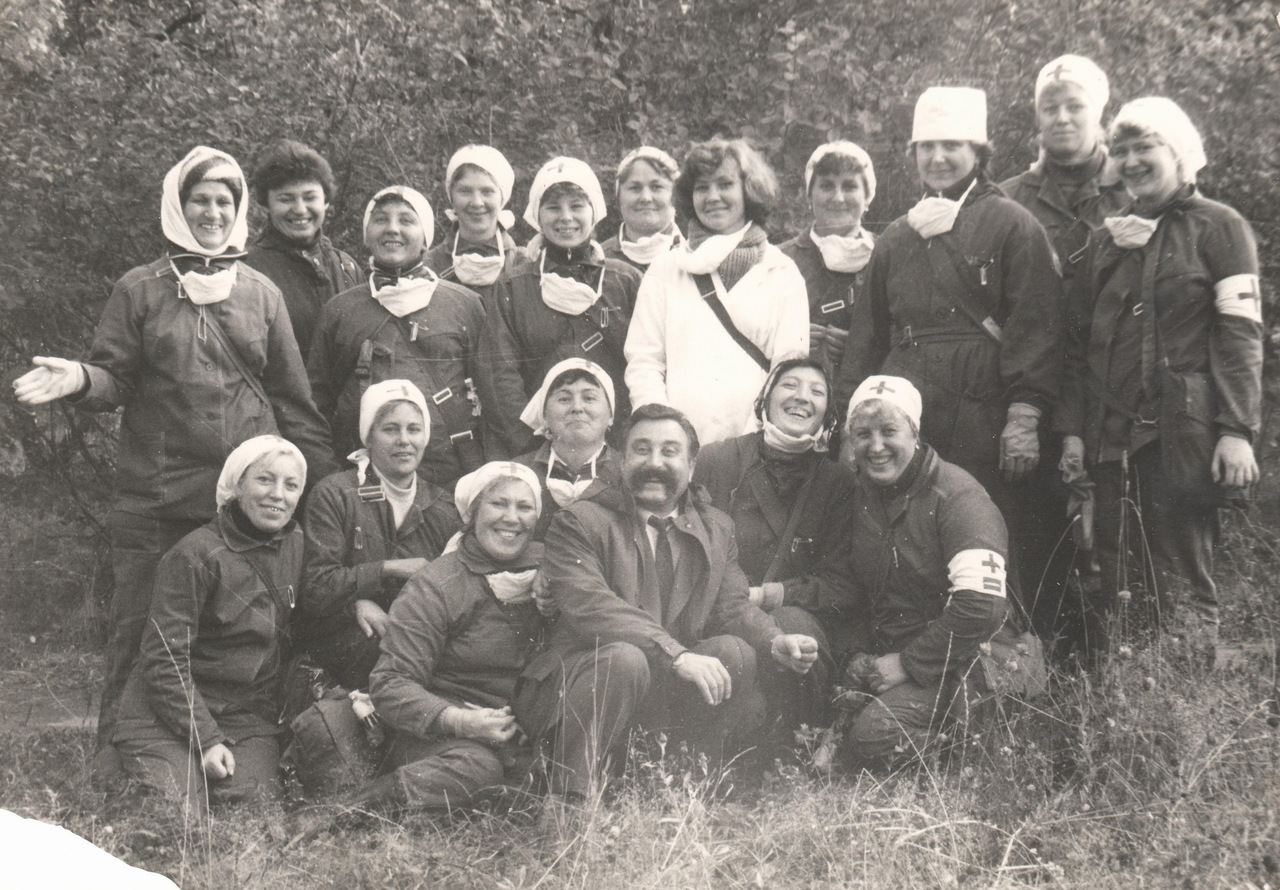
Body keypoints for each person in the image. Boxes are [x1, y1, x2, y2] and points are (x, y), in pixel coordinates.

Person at [13, 146, 337, 754]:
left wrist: (329, 484)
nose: (213, 213)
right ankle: (118, 761)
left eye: (224, 202)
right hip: (158, 498)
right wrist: (79, 379)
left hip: (244, 506)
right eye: (200, 201)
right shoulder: (140, 289)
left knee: (241, 634)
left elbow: (293, 401)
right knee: (140, 630)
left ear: (240, 210)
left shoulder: (261, 292)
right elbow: (114, 379)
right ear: (177, 207)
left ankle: (230, 756)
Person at [514, 403, 819, 800]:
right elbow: (593, 608)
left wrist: (774, 640)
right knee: (624, 658)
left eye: (669, 452)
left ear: (691, 467)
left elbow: (732, 606)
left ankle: (684, 786)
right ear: (622, 460)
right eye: (641, 450)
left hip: (659, 684)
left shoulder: (716, 527)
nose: (654, 463)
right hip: (579, 685)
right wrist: (677, 655)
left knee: (734, 652)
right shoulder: (579, 521)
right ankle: (570, 798)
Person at [838, 87, 1062, 605]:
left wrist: (1024, 419)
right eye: (927, 147)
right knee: (909, 527)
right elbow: (867, 339)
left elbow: (1037, 329)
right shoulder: (897, 236)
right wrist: (848, 428)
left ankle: (999, 642)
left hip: (982, 411)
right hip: (910, 410)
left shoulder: (1012, 224)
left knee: (984, 525)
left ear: (978, 153)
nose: (937, 158)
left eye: (951, 146)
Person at [1060, 98, 1262, 658]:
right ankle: (1124, 692)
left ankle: (1186, 692)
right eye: (1121, 150)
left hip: (1182, 431)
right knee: (1114, 570)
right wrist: (1074, 431)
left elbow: (1241, 334)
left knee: (1181, 572)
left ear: (1177, 151)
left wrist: (1236, 430)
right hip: (1110, 437)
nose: (1131, 161)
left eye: (1144, 147)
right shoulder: (1106, 239)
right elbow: (1077, 346)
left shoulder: (1220, 227)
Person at [998, 57, 1128, 648]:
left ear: (1099, 113)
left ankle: (1113, 661)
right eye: (1050, 107)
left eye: (1075, 106)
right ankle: (1046, 657)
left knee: (1115, 530)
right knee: (1037, 525)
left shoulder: (1133, 188)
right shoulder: (1011, 199)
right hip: (1035, 385)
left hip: (1112, 387)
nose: (1062, 118)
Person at [111, 436, 308, 807]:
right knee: (179, 815)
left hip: (244, 717)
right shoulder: (194, 555)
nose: (278, 495)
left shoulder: (295, 542)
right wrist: (206, 738)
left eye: (291, 485)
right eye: (265, 480)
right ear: (236, 486)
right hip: (165, 713)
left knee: (254, 813)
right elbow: (164, 661)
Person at [836, 376, 1008, 768]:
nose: (875, 447)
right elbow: (850, 587)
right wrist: (855, 652)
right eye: (862, 434)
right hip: (895, 651)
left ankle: (980, 756)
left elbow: (982, 607)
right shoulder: (861, 495)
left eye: (889, 431)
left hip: (968, 656)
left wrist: (907, 664)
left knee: (873, 735)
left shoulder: (959, 496)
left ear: (915, 433)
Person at [361, 462, 546, 814]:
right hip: (442, 736)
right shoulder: (436, 585)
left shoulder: (551, 570)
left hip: (517, 734)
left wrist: (551, 574)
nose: (512, 518)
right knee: (478, 769)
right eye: (498, 504)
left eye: (525, 507)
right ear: (472, 514)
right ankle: (351, 810)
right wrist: (459, 721)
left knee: (544, 780)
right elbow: (390, 683)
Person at [693, 358, 855, 730]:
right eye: (790, 385)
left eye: (816, 392)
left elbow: (842, 584)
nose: (802, 397)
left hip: (792, 617)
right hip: (716, 611)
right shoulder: (717, 459)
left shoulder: (837, 482)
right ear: (765, 399)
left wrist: (769, 595)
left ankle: (796, 743)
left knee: (795, 628)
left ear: (828, 415)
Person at [625, 138, 809, 447]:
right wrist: (665, 434)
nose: (713, 197)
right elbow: (644, 363)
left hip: (757, 449)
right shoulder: (665, 270)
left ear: (748, 190)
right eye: (702, 188)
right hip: (677, 450)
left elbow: (789, 370)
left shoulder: (781, 272)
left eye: (725, 184)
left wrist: (751, 446)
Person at [307, 185, 487, 487]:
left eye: (406, 220)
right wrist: (333, 479)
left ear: (426, 237)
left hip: (450, 479)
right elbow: (315, 406)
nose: (392, 229)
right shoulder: (340, 310)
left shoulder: (465, 305)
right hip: (362, 481)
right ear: (366, 235)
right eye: (380, 219)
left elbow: (490, 397)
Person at [476, 157, 642, 459]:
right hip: (537, 449)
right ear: (537, 216)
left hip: (616, 449)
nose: (566, 217)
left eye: (577, 206)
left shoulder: (625, 281)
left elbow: (646, 364)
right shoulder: (514, 287)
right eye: (553, 207)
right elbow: (499, 376)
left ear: (595, 212)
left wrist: (625, 444)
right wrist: (533, 448)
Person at [300, 380, 460, 690]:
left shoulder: (444, 507)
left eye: (414, 429)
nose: (404, 441)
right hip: (351, 646)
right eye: (390, 429)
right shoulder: (335, 494)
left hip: (421, 646)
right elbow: (316, 586)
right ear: (369, 437)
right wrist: (380, 575)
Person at [242, 139, 362, 355]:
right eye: (285, 199)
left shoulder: (347, 268)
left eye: (309, 197)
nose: (299, 209)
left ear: (326, 201)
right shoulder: (248, 271)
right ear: (267, 204)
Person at [779, 142, 877, 399]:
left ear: (867, 197)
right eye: (826, 186)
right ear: (809, 197)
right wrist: (791, 340)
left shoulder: (887, 255)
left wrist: (859, 348)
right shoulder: (780, 260)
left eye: (850, 186)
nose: (838, 198)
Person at [513, 358, 624, 539]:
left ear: (611, 415)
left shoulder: (628, 473)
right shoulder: (518, 473)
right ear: (544, 415)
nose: (577, 407)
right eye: (564, 399)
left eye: (589, 398)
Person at [424, 144, 521, 299]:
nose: (476, 202)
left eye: (487, 192)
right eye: (465, 191)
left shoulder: (525, 264)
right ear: (451, 196)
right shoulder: (428, 266)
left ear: (502, 197)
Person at [600, 146, 684, 271]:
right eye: (635, 188)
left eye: (656, 187)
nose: (646, 198)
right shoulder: (597, 260)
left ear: (675, 195)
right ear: (618, 196)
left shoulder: (695, 255)